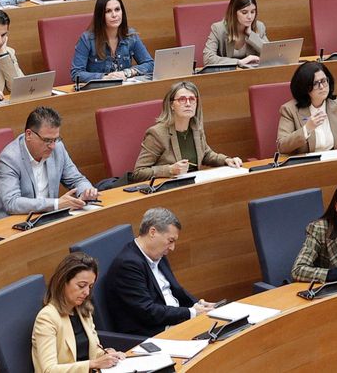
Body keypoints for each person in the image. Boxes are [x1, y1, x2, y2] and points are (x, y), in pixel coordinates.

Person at [101, 208, 220, 339]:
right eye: (170, 240)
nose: (172, 247)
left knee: (222, 325)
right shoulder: (128, 265)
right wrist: (191, 312)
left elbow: (176, 290)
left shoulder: (157, 254)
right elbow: (148, 311)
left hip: (174, 320)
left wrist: (199, 304)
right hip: (152, 333)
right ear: (153, 232)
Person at [0, 106, 97, 224]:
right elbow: (12, 203)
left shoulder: (57, 148)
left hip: (41, 220)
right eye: (47, 140)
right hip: (2, 224)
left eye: (55, 139)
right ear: (29, 134)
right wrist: (56, 204)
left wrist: (86, 192)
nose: (52, 146)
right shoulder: (9, 159)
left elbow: (77, 179)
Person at [129, 81, 243, 181]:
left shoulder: (196, 127)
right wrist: (170, 170)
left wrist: (227, 160)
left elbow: (206, 154)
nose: (188, 104)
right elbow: (138, 173)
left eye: (192, 99)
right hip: (168, 187)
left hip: (193, 184)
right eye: (182, 99)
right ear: (172, 105)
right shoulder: (157, 134)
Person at [31, 252, 124, 373]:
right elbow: (48, 370)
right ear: (63, 282)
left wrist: (108, 354)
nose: (86, 292)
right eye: (81, 286)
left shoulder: (82, 309)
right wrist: (93, 363)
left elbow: (93, 351)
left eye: (90, 286)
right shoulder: (47, 318)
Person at [277, 61, 337, 156]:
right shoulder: (290, 110)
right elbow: (282, 146)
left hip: (334, 161)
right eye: (315, 83)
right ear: (304, 87)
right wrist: (307, 129)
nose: (322, 87)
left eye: (324, 81)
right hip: (307, 165)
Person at [69, 0, 153, 83]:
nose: (114, 15)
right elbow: (76, 73)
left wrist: (127, 72)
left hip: (124, 89)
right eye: (108, 11)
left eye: (117, 9)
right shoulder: (87, 39)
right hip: (98, 92)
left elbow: (150, 64)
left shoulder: (131, 36)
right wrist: (105, 77)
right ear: (100, 16)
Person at [201, 0, 268, 67]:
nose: (250, 17)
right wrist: (239, 62)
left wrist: (251, 35)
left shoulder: (259, 27)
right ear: (234, 12)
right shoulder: (218, 29)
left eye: (252, 12)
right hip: (228, 75)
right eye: (244, 12)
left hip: (253, 75)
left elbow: (271, 54)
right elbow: (208, 59)